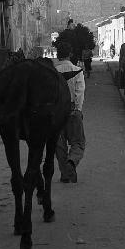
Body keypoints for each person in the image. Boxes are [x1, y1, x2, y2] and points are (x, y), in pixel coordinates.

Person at [54, 41, 86, 183]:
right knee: (78, 142)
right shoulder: (77, 70)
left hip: (56, 114)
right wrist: (78, 110)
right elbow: (80, 92)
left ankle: (65, 174)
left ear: (57, 54)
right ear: (70, 54)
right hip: (73, 110)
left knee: (59, 145)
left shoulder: (52, 72)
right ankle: (72, 162)